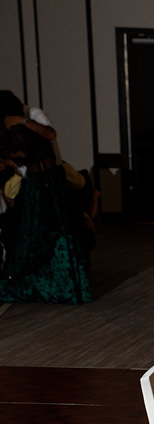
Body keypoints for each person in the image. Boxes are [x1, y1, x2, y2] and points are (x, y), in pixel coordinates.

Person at [0, 90, 92, 304]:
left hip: (49, 181)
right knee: (39, 233)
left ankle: (65, 286)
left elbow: (50, 134)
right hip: (37, 182)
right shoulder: (10, 128)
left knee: (57, 230)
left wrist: (22, 121)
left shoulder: (33, 115)